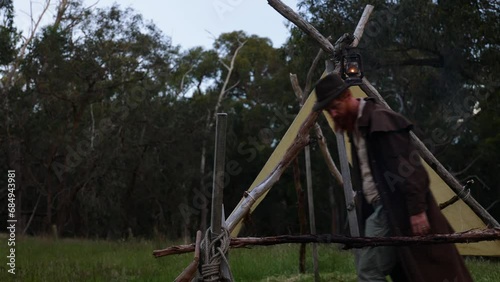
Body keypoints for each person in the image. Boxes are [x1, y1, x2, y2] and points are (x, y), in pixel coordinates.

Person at [313, 72, 473, 282]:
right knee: (406, 272)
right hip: (383, 209)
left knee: (369, 272)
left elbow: (411, 168)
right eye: (328, 111)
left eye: (335, 107)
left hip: (391, 208)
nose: (333, 114)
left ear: (347, 95)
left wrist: (417, 211)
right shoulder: (357, 126)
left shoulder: (380, 120)